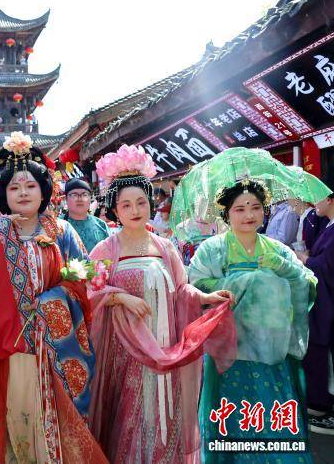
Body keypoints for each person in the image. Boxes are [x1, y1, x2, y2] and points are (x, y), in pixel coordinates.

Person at [87, 144, 235, 463]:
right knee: (130, 408)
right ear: (114, 210)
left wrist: (206, 297)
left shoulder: (165, 247)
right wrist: (121, 297)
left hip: (164, 343)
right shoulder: (105, 249)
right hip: (124, 350)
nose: (135, 210)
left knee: (164, 407)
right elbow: (90, 291)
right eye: (126, 205)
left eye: (141, 202)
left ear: (151, 203)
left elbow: (181, 289)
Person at [0, 133, 106, 463]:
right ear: (3, 194)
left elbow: (82, 278)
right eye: (15, 187)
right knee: (16, 414)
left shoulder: (61, 231)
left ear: (44, 190)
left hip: (56, 345)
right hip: (13, 345)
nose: (23, 193)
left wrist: (50, 301)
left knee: (57, 417)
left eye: (30, 185)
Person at [189, 178, 316, 462]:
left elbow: (306, 283)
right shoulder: (212, 250)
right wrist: (239, 283)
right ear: (227, 214)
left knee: (273, 408)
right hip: (230, 346)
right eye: (240, 209)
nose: (249, 215)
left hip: (272, 346)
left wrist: (284, 268)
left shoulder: (278, 249)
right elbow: (196, 285)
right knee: (233, 410)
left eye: (256, 207)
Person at [295, 170, 334, 434]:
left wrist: (306, 260)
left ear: (330, 198)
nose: (314, 202)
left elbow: (329, 268)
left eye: (317, 196)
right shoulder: (330, 225)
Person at [62, 177, 110, 253]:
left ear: (90, 198)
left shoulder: (101, 225)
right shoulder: (57, 226)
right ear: (66, 199)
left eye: (84, 195)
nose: (80, 199)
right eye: (74, 195)